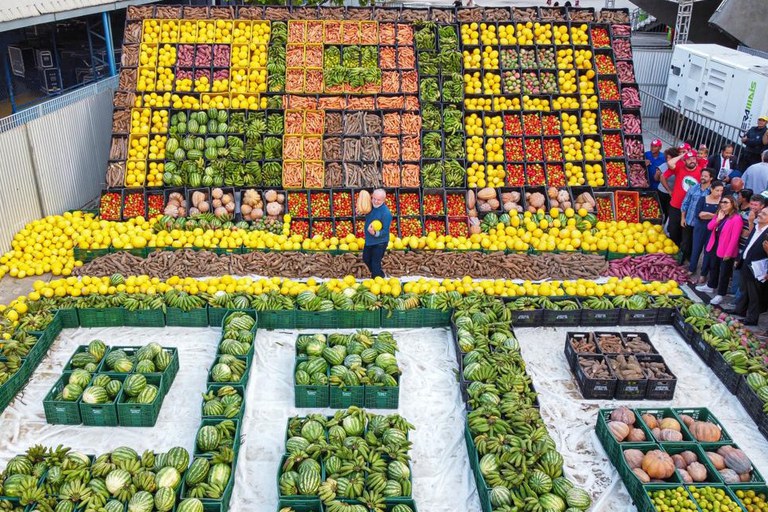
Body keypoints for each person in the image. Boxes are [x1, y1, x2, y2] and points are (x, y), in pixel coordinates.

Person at [696, 196, 743, 305]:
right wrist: (718, 219)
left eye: (726, 202)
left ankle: (720, 294)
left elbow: (735, 238)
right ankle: (711, 286)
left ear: (732, 204)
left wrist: (729, 253)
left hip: (726, 248)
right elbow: (709, 227)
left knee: (724, 273)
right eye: (722, 202)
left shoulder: (736, 218)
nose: (723, 204)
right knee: (714, 267)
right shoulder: (720, 213)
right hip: (715, 245)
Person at [730, 206, 768, 325]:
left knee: (754, 294)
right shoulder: (756, 227)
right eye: (761, 212)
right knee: (744, 289)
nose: (760, 214)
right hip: (746, 262)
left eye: (764, 214)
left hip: (757, 268)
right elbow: (748, 244)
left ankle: (752, 319)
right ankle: (740, 310)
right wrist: (740, 258)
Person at [661, 150, 705, 249]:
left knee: (686, 232)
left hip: (690, 208)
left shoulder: (701, 171)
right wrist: (669, 190)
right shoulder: (679, 167)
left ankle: (682, 252)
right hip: (676, 205)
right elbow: (670, 164)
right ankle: (674, 248)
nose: (692, 161)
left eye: (693, 158)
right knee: (673, 229)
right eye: (689, 159)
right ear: (684, 161)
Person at [731, 194, 767, 303]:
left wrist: (751, 222)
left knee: (747, 284)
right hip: (742, 250)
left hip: (755, 259)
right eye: (751, 204)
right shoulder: (746, 214)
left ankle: (737, 302)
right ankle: (735, 299)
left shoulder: (762, 220)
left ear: (762, 206)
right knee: (738, 277)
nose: (753, 207)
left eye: (756, 205)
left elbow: (752, 235)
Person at [682, 170, 717, 275]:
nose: (703, 177)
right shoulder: (693, 188)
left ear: (711, 178)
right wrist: (682, 218)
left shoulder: (712, 192)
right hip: (689, 220)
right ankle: (685, 263)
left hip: (704, 223)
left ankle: (698, 269)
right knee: (686, 243)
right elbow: (685, 203)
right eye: (702, 175)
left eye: (706, 176)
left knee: (699, 247)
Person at [362, 189, 392, 278]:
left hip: (380, 242)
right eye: (373, 198)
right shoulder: (370, 206)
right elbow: (364, 211)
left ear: (383, 200)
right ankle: (379, 273)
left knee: (375, 262)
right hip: (369, 240)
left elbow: (385, 231)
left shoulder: (386, 213)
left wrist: (375, 233)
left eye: (378, 200)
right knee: (366, 258)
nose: (375, 201)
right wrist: (360, 211)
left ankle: (377, 279)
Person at [656, 147, 680, 223]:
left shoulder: (678, 167)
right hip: (662, 192)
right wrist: (657, 174)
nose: (668, 160)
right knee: (660, 210)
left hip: (673, 194)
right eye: (667, 157)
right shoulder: (664, 165)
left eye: (670, 158)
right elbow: (657, 179)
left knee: (668, 212)